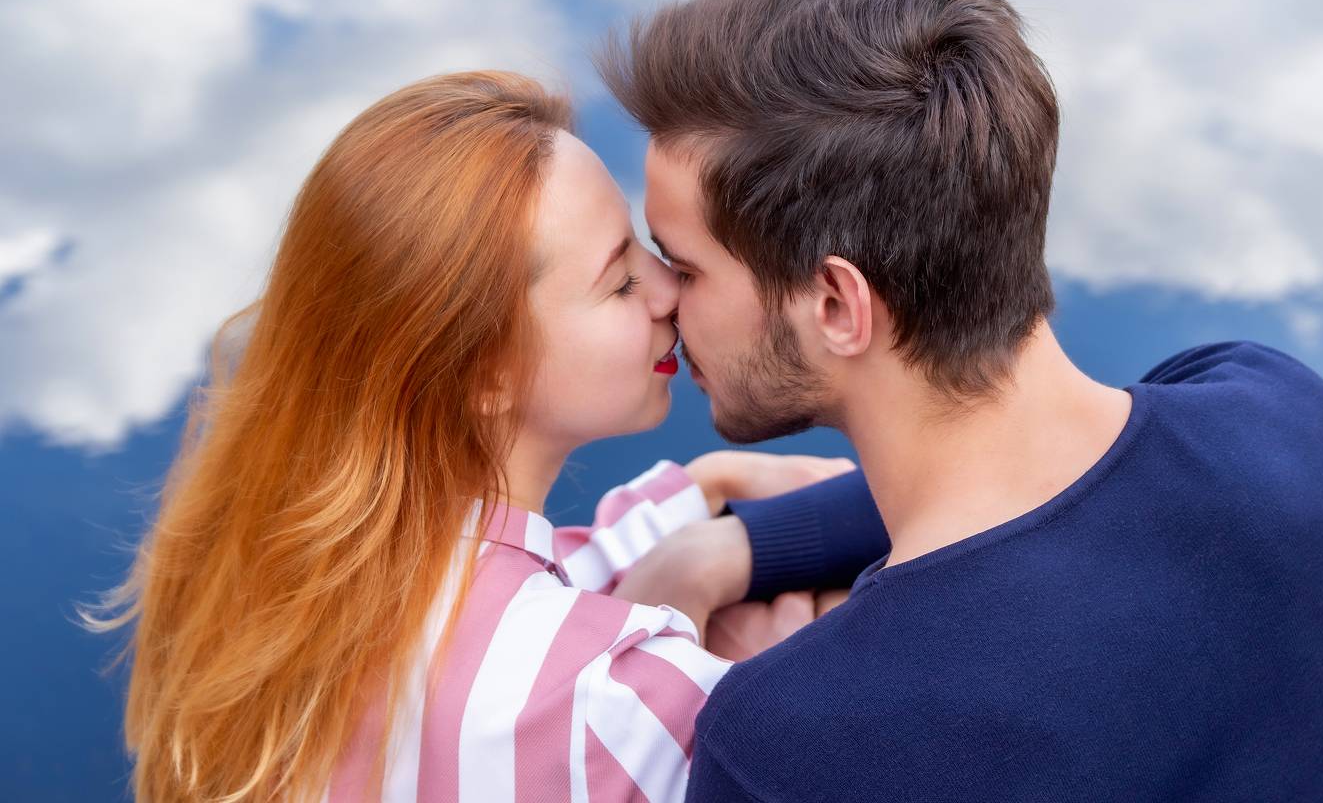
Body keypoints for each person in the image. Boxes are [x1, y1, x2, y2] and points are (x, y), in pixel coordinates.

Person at [599, 0, 1323, 801]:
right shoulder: (1281, 422)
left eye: (684, 266)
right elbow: (1069, 489)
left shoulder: (793, 741)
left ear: (838, 305)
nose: (661, 298)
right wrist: (730, 548)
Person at [84, 71, 852, 803]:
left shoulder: (281, 598)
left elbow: (528, 602)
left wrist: (698, 529)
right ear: (481, 373)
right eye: (619, 281)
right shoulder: (623, 707)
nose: (666, 289)